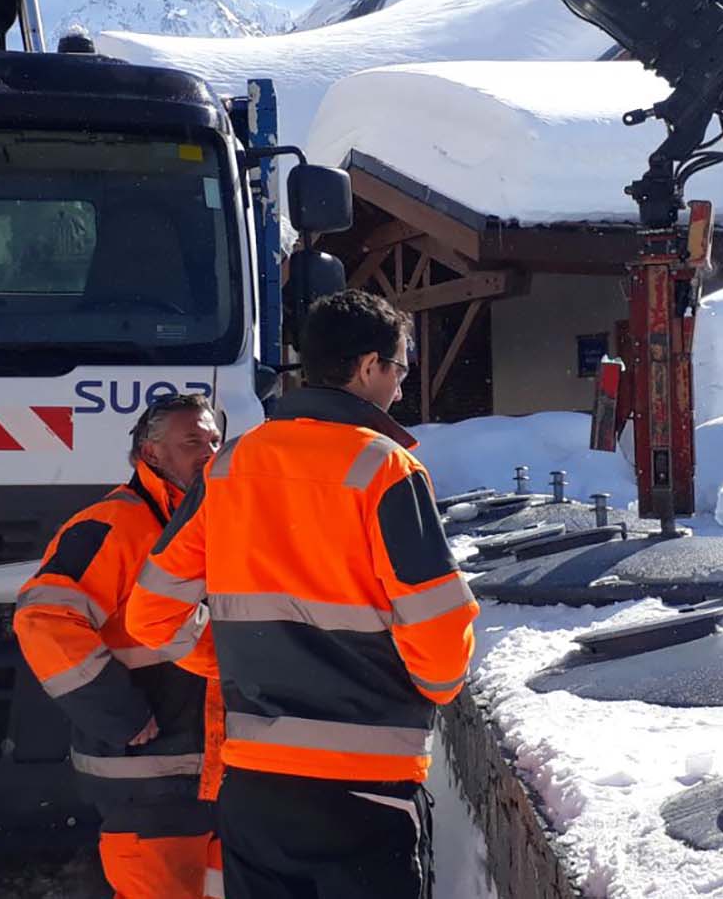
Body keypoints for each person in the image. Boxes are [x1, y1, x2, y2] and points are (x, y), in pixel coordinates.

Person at [127, 290, 479, 899]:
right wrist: (435, 688)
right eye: (399, 367)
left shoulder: (229, 467)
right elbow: (439, 625)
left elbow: (152, 614)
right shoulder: (384, 469)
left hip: (257, 786)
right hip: (366, 785)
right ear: (368, 366)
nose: (399, 386)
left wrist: (239, 659)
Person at [15, 393, 225, 899]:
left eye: (214, 439)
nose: (209, 452)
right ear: (150, 455)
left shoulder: (211, 522)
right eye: (192, 441)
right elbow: (41, 620)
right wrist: (118, 712)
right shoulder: (113, 524)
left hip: (212, 776)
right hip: (149, 778)